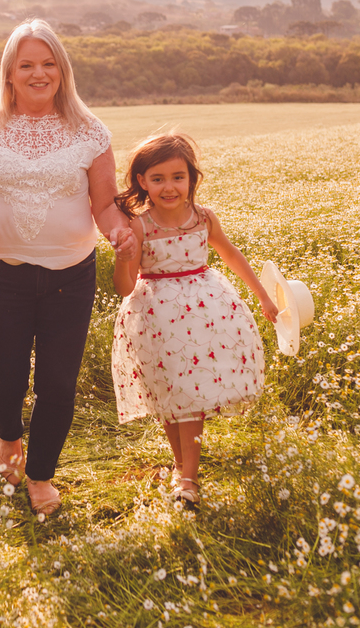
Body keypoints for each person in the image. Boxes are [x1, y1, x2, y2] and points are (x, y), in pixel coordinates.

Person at [0, 19, 137, 516]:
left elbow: (104, 205)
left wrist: (118, 231)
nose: (39, 73)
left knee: (57, 383)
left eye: (48, 63)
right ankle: (9, 436)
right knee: (4, 381)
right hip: (4, 274)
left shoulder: (90, 131)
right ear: (9, 72)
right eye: (27, 64)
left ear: (63, 70)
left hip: (70, 278)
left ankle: (40, 475)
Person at [110, 132, 277, 511]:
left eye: (177, 177)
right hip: (156, 318)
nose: (169, 187)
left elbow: (232, 256)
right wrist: (123, 257)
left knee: (192, 398)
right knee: (170, 396)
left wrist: (264, 297)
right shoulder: (140, 225)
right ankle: (181, 466)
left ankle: (188, 480)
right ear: (142, 182)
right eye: (158, 179)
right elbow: (123, 287)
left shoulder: (203, 218)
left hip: (204, 315)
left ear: (191, 179)